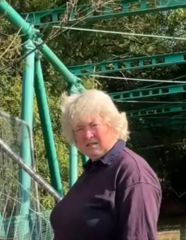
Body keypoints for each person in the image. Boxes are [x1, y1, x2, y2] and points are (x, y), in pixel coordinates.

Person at [50, 89, 162, 240]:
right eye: (79, 128)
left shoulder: (133, 174)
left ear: (113, 124)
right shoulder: (94, 170)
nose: (87, 135)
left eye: (94, 125)